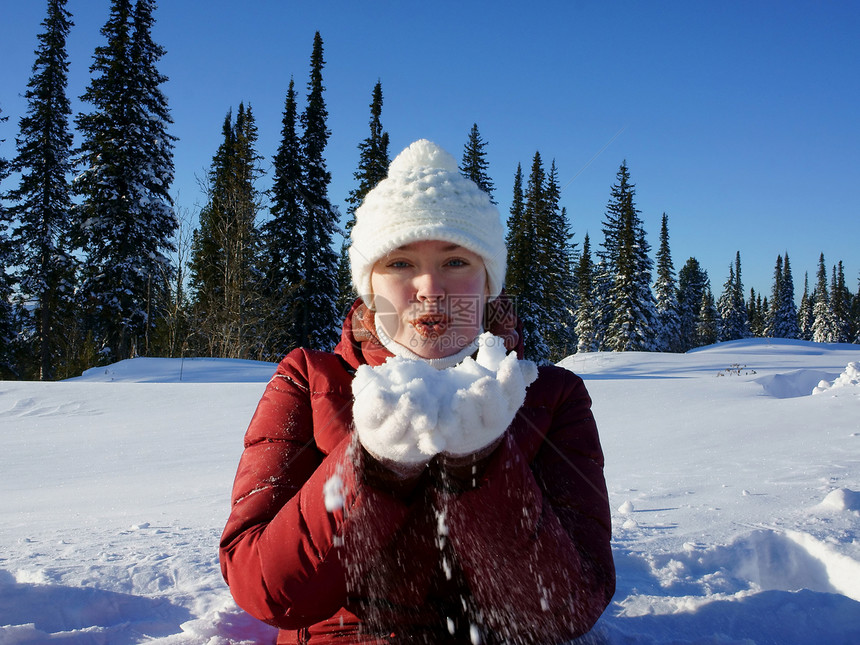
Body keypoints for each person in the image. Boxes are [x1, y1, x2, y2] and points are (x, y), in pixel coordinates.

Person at [219, 139, 615, 644]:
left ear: (487, 282)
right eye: (401, 263)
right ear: (370, 286)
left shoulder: (551, 396)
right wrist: (372, 465)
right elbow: (268, 592)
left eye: (455, 262)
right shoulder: (308, 380)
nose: (430, 287)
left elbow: (566, 610)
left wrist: (482, 463)